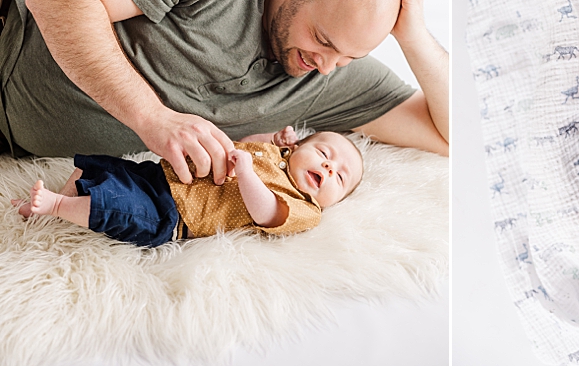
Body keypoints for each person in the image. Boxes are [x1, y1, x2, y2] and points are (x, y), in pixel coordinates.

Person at [0, 0, 448, 188]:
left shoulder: (328, 74)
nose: (326, 66)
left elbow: (453, 136)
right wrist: (153, 119)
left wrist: (414, 34)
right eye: (323, 40)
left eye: (350, 57)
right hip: (10, 8)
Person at [12, 125, 362, 247]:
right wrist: (269, 138)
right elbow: (244, 146)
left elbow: (265, 211)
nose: (330, 167)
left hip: (175, 216)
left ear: (334, 200)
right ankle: (48, 206)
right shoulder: (276, 154)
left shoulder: (305, 209)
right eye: (323, 153)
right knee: (103, 169)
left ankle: (55, 206)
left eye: (340, 178)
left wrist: (248, 174)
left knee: (116, 207)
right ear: (296, 147)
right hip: (163, 177)